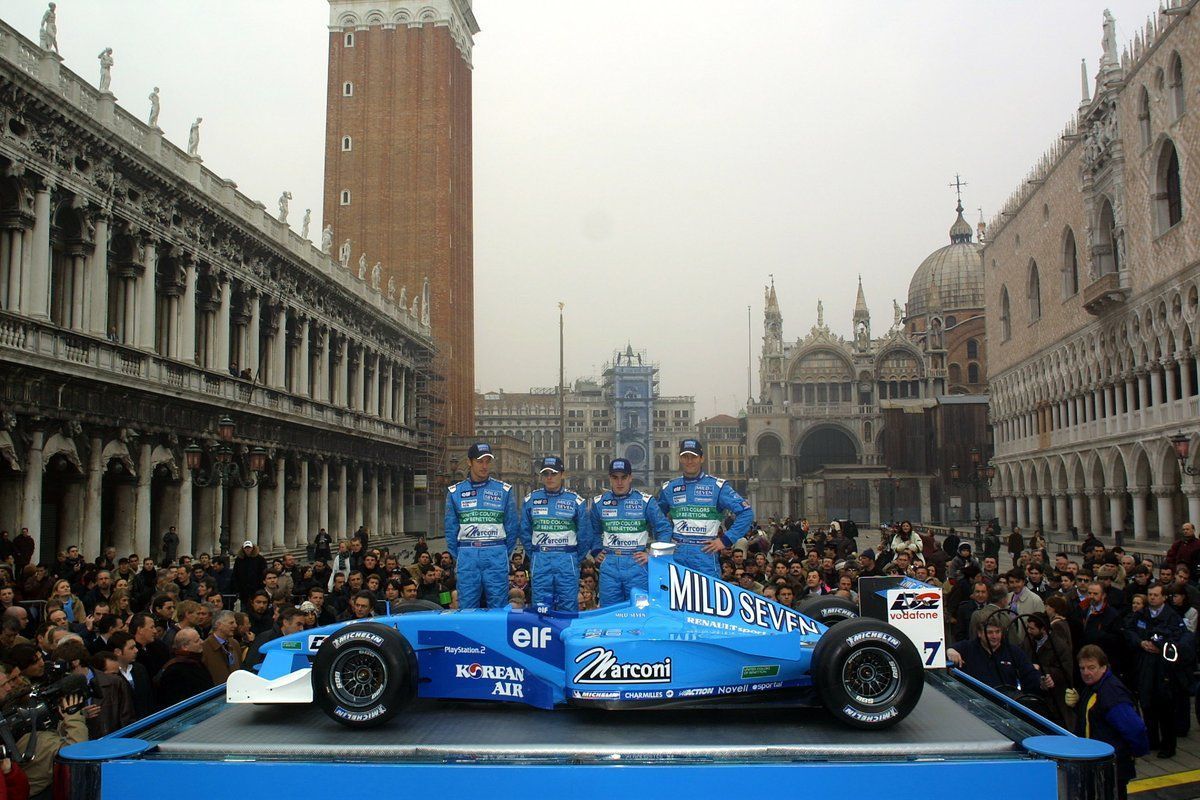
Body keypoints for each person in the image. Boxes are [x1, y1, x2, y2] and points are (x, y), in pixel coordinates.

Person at [657, 439, 753, 577]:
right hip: (677, 554)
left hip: (705, 553)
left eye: (693, 457)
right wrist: (664, 541)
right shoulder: (669, 487)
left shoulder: (717, 486)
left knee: (708, 591)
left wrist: (725, 540)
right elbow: (657, 519)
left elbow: (747, 513)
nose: (689, 461)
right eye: (685, 457)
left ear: (702, 458)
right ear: (680, 459)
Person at [444, 443, 519, 609]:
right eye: (479, 461)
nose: (484, 466)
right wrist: (461, 555)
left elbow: (512, 527)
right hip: (467, 555)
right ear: (469, 462)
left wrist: (501, 552)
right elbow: (450, 530)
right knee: (467, 608)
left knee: (498, 607)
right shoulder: (455, 492)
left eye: (487, 461)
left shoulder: (504, 490)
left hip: (496, 554)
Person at [1070, 644, 1149, 800]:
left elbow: (1135, 729)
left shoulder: (1111, 693)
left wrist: (1134, 754)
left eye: (1091, 667)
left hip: (1111, 767)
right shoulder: (1093, 687)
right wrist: (1077, 706)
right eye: (1082, 668)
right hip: (1099, 765)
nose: (1086, 672)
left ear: (1103, 667)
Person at [591, 458, 672, 606]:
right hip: (610, 564)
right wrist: (596, 551)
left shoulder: (645, 501)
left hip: (637, 564)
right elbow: (593, 531)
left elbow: (664, 528)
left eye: (623, 477)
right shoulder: (599, 502)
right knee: (610, 612)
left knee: (639, 611)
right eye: (615, 477)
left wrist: (653, 555)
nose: (619, 482)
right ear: (610, 478)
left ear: (630, 478)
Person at [518, 456, 593, 612]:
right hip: (541, 559)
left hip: (566, 560)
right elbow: (524, 532)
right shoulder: (531, 499)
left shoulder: (576, 501)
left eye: (554, 473)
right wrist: (536, 554)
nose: (550, 477)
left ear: (562, 474)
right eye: (546, 474)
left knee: (568, 606)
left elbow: (585, 535)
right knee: (541, 608)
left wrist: (574, 557)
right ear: (541, 476)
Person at [1123, 583, 1187, 758]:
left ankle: (1168, 746)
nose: (1152, 597)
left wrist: (1160, 646)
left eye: (1156, 595)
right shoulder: (1142, 614)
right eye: (1150, 594)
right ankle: (1152, 740)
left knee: (1165, 708)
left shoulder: (1172, 616)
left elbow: (1179, 639)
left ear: (1164, 597)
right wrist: (1140, 642)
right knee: (1147, 704)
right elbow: (1129, 630)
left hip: (1163, 668)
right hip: (1144, 665)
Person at [947, 617, 1051, 695]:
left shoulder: (1013, 651)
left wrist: (1041, 683)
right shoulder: (968, 648)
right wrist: (950, 650)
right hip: (973, 703)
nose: (994, 636)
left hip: (1004, 705)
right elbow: (947, 652)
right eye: (990, 632)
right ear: (979, 633)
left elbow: (1029, 674)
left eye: (997, 632)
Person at [155, 627, 213, 710]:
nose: (202, 642)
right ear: (185, 646)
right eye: (197, 641)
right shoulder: (174, 671)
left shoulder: (197, 661)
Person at [201, 611, 243, 684]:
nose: (235, 625)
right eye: (231, 623)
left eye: (235, 622)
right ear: (219, 625)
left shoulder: (235, 644)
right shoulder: (205, 647)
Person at [232, 541, 267, 610]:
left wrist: (261, 586)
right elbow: (235, 574)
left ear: (253, 548)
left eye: (249, 548)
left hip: (256, 590)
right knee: (244, 609)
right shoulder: (239, 560)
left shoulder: (260, 559)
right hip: (243, 591)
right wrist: (237, 588)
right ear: (243, 549)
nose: (247, 549)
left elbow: (263, 573)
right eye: (246, 548)